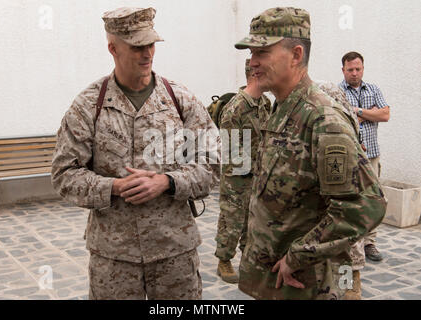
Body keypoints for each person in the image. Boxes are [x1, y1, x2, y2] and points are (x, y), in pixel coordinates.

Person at [51, 7, 219, 300]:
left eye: (151, 44)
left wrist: (167, 182)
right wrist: (112, 187)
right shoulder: (89, 106)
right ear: (113, 48)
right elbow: (64, 175)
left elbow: (213, 165)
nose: (147, 54)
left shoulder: (181, 101)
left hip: (174, 253)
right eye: (137, 47)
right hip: (114, 260)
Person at [234, 7, 387, 300]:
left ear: (295, 54)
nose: (252, 62)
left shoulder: (321, 119)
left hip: (308, 285)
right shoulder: (283, 107)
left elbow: (365, 205)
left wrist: (298, 256)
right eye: (251, 53)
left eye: (262, 53)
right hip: (274, 282)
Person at [339, 51, 390, 299]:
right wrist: (368, 112)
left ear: (362, 68)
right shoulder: (337, 92)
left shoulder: (374, 89)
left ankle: (369, 242)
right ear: (344, 70)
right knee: (352, 206)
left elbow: (386, 114)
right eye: (350, 69)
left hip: (372, 156)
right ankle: (350, 274)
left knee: (371, 201)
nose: (355, 73)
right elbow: (341, 119)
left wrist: (357, 111)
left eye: (358, 69)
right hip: (350, 160)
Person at [215, 59, 271, 283]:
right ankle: (224, 259)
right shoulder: (235, 108)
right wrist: (255, 165)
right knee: (233, 219)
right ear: (255, 75)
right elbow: (230, 150)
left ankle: (249, 258)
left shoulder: (265, 103)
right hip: (237, 178)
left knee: (254, 220)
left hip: (259, 174)